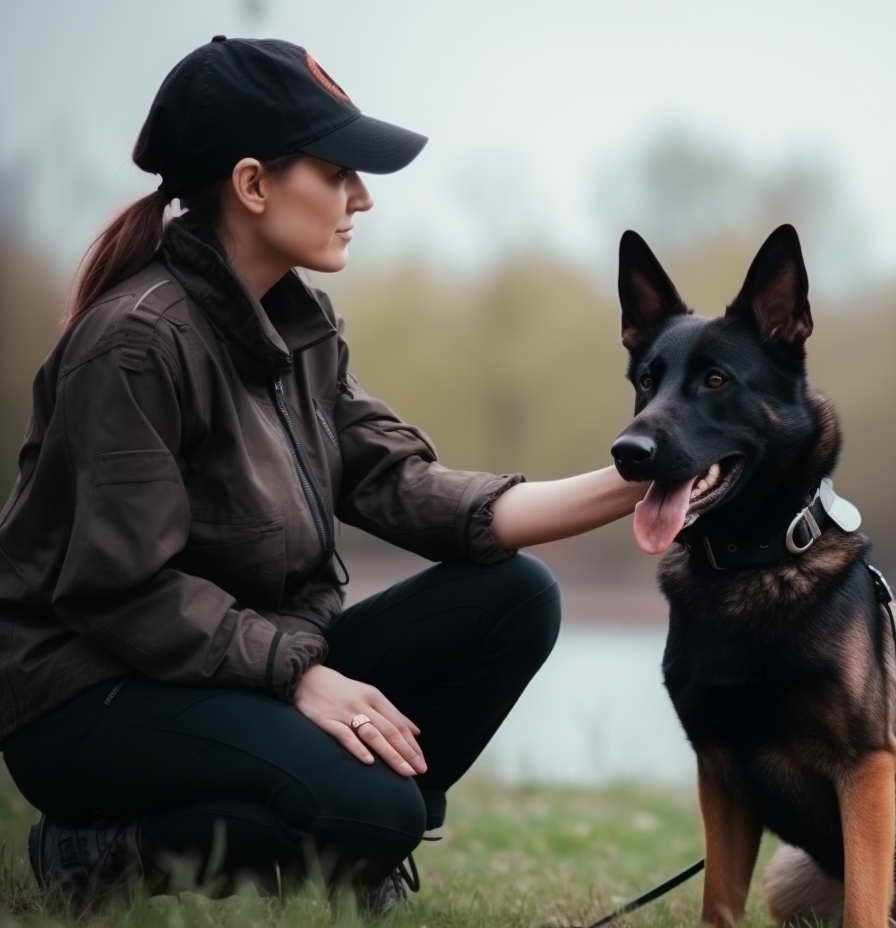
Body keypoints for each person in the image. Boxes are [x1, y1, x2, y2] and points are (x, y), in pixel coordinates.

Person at [0, 36, 646, 915]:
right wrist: (301, 674)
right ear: (254, 183)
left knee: (518, 598)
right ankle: (96, 852)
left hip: (240, 664)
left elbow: (408, 489)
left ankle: (343, 839)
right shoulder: (136, 343)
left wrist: (640, 477)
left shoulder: (298, 332)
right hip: (91, 696)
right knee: (376, 810)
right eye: (339, 171)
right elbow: (122, 592)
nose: (362, 198)